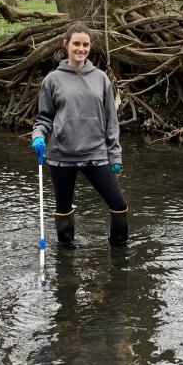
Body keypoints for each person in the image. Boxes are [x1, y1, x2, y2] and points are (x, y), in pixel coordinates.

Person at [31, 22, 128, 247]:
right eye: (76, 43)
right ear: (66, 44)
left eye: (85, 44)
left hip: (96, 154)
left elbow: (111, 121)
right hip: (61, 157)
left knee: (119, 205)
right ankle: (66, 255)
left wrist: (115, 155)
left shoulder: (101, 78)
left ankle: (119, 252)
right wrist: (38, 135)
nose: (81, 49)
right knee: (63, 209)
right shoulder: (52, 80)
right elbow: (44, 119)